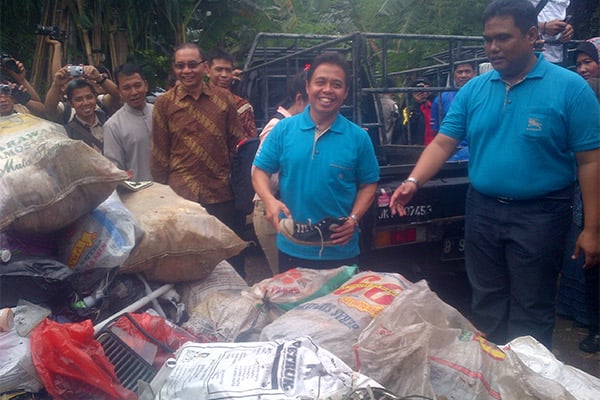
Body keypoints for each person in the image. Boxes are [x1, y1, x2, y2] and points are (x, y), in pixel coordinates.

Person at [389, 0, 599, 350]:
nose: (493, 48)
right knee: (485, 303)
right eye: (488, 39)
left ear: (532, 35)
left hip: (542, 214)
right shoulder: (475, 89)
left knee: (531, 308)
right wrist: (413, 181)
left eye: (503, 38)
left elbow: (592, 161)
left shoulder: (569, 88)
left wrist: (593, 229)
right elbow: (443, 143)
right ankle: (490, 378)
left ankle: (526, 380)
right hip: (483, 210)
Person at [252, 51, 380, 271]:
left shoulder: (358, 137)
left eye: (337, 84)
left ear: (346, 92)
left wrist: (353, 218)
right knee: (292, 306)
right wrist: (269, 200)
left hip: (341, 251)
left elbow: (369, 184)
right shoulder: (284, 129)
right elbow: (260, 171)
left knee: (338, 307)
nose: (328, 90)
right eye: (320, 82)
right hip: (291, 248)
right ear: (308, 87)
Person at [151, 43, 247, 277]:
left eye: (192, 65)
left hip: (221, 194)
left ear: (204, 67)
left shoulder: (224, 100)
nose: (187, 71)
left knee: (230, 259)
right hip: (182, 197)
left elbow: (239, 145)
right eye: (180, 66)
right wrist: (162, 198)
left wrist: (242, 190)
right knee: (187, 262)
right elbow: (159, 154)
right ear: (174, 69)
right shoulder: (164, 103)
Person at [252, 70, 308, 275]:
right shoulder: (277, 128)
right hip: (271, 210)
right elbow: (259, 174)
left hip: (288, 209)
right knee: (287, 280)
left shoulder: (301, 128)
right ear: (300, 99)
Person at [45, 64, 121, 152]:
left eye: (89, 97)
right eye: (78, 99)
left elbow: (118, 95)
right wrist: (56, 85)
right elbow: (49, 110)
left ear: (95, 97)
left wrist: (99, 78)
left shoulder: (103, 109)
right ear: (70, 103)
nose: (85, 103)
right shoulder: (68, 124)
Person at [103, 63, 153, 181]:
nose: (134, 92)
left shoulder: (161, 113)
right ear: (119, 90)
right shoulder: (113, 126)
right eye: (127, 88)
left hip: (171, 192)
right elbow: (115, 171)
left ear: (145, 85)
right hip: (138, 194)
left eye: (137, 85)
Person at [206, 48, 257, 138]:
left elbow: (250, 144)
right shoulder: (196, 100)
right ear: (207, 71)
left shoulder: (242, 106)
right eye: (219, 70)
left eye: (228, 70)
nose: (224, 75)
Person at [430, 61, 476, 135]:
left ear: (474, 73)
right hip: (452, 145)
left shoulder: (485, 94)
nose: (463, 75)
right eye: (460, 72)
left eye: (467, 71)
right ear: (454, 75)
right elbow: (435, 131)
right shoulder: (441, 99)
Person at [399, 78, 434, 145]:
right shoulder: (408, 110)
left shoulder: (436, 105)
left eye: (424, 90)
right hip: (418, 147)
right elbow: (406, 129)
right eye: (417, 91)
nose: (422, 93)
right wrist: (417, 104)